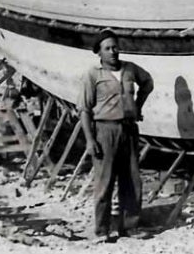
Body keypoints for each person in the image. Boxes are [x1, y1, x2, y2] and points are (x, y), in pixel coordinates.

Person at [78, 29, 154, 243]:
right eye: (107, 49)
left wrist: (137, 107)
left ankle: (130, 227)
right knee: (104, 181)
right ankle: (101, 230)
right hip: (105, 130)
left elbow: (148, 82)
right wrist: (90, 140)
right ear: (99, 53)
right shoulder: (93, 75)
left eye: (115, 47)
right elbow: (84, 110)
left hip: (129, 129)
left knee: (131, 179)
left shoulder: (130, 69)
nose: (113, 52)